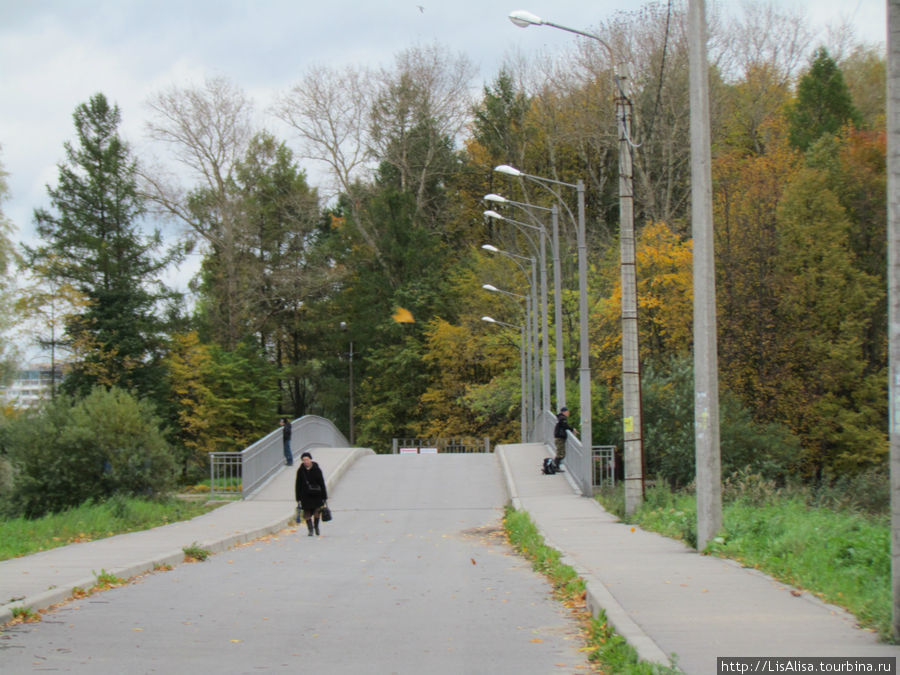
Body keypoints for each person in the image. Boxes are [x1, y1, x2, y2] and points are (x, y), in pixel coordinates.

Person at [295, 451, 328, 536]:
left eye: (307, 459)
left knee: (317, 510)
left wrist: (324, 496)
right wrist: (298, 497)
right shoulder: (300, 470)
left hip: (316, 494)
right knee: (307, 511)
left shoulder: (317, 469)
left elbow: (322, 483)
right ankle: (310, 529)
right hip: (305, 495)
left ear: (310, 459)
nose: (306, 461)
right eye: (304, 460)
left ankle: (316, 527)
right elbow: (298, 484)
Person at [553, 407, 576, 471]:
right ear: (564, 412)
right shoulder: (562, 418)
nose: (568, 413)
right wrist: (572, 429)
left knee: (560, 453)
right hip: (559, 438)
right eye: (567, 412)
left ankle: (556, 466)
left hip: (559, 437)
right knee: (561, 454)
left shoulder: (560, 418)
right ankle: (555, 467)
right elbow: (565, 425)